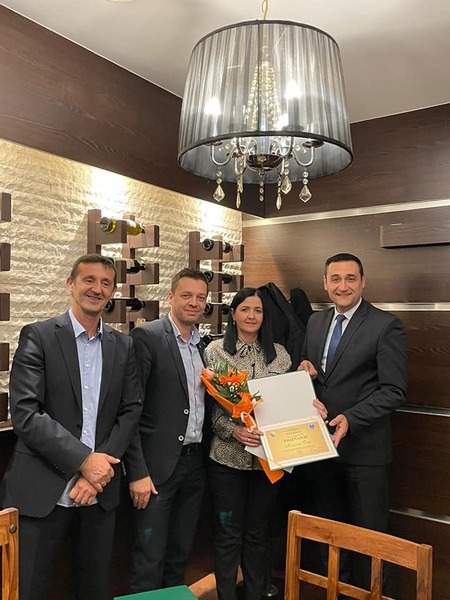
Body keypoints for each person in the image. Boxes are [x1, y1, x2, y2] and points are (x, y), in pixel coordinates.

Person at [0, 254, 142, 600]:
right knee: (28, 589)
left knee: (93, 588)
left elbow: (130, 410)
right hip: (41, 490)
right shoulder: (39, 336)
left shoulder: (123, 345)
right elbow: (26, 414)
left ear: (113, 292)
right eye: (88, 280)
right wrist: (84, 461)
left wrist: (97, 471)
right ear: (71, 284)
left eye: (105, 283)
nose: (97, 289)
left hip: (99, 492)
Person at [299, 252, 407, 591]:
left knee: (370, 542)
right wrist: (305, 371)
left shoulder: (384, 325)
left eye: (350, 278)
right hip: (322, 449)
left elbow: (393, 390)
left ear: (362, 282)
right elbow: (317, 376)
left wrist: (351, 417)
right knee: (330, 539)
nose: (342, 286)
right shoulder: (315, 322)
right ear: (325, 283)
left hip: (365, 453)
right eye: (335, 279)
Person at [124, 267, 209, 592]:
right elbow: (131, 409)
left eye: (200, 298)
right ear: (171, 297)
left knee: (179, 557)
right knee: (149, 559)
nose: (193, 303)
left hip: (194, 465)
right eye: (186, 295)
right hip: (156, 469)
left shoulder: (204, 346)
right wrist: (137, 471)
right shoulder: (147, 337)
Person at [204, 288, 291, 600]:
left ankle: (256, 593)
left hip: (268, 461)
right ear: (233, 314)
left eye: (258, 310)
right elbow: (209, 410)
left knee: (258, 534)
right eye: (245, 309)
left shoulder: (280, 354)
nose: (252, 316)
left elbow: (287, 404)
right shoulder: (215, 352)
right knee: (228, 534)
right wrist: (233, 431)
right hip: (227, 460)